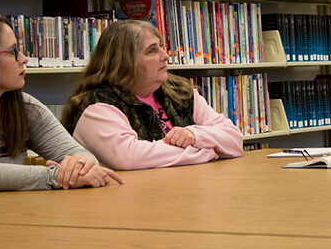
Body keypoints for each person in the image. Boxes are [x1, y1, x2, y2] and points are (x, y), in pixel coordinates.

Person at [60, 20, 244, 170]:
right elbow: (128, 157)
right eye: (152, 50)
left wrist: (194, 135)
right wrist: (207, 152)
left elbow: (235, 140)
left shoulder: (180, 92)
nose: (165, 55)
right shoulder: (97, 104)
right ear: (125, 62)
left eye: (161, 47)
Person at [0, 14, 122, 191]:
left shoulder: (25, 107)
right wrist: (54, 176)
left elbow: (82, 156)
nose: (23, 58)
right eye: (13, 52)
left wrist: (78, 166)